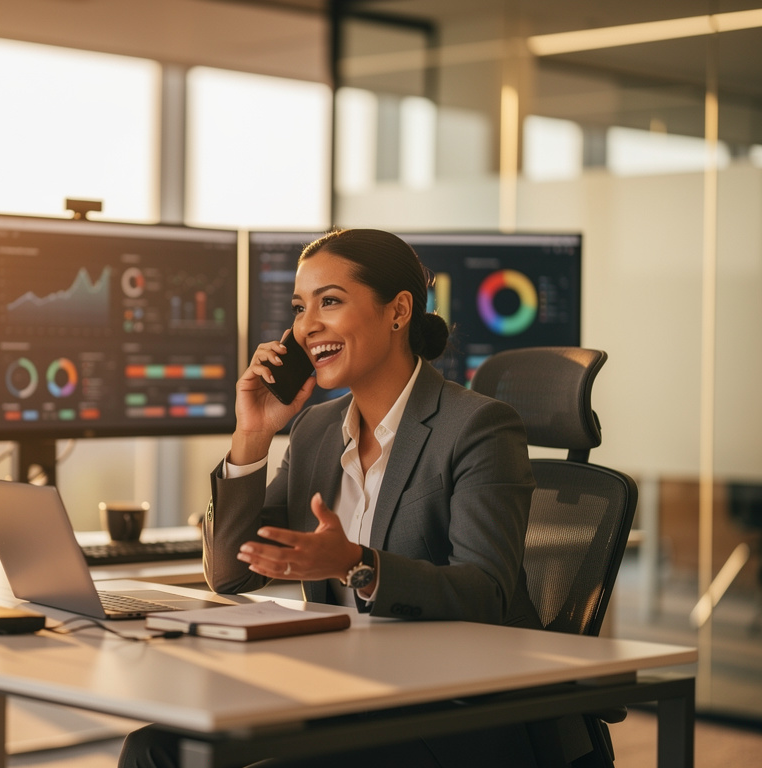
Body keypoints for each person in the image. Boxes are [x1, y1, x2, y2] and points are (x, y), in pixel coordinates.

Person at [119, 228, 587, 767]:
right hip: (343, 693)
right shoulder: (315, 431)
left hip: (450, 714)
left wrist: (359, 565)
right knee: (153, 750)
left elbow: (487, 595)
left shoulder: (478, 426)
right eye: (300, 308)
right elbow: (230, 573)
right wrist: (251, 436)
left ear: (398, 311)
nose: (307, 325)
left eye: (331, 302)